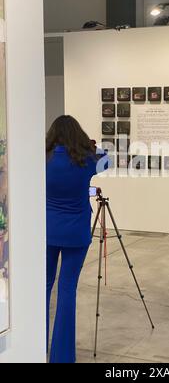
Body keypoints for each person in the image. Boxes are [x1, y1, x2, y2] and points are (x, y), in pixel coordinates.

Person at [46, 115, 108, 363]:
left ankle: (35, 344)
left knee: (43, 286)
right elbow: (110, 161)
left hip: (47, 231)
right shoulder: (87, 159)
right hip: (76, 233)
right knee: (67, 288)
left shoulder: (43, 157)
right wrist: (92, 146)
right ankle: (62, 357)